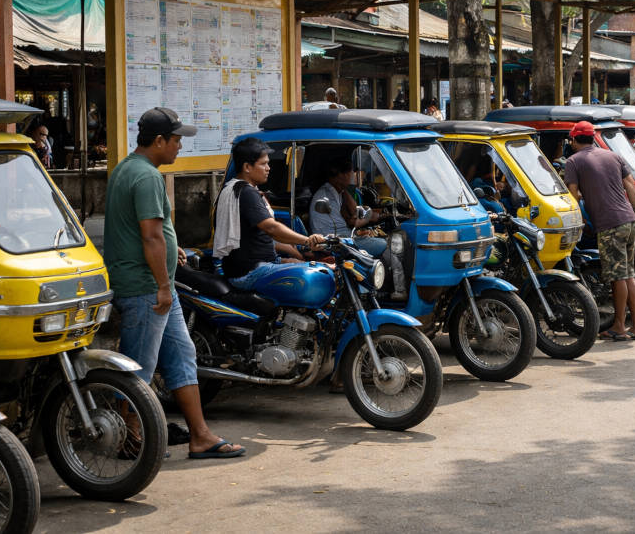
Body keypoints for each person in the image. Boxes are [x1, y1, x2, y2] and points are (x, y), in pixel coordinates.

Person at [104, 107, 245, 460]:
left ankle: (200, 435)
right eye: (177, 139)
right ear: (159, 140)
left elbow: (148, 232)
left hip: (155, 284)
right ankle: (130, 437)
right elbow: (150, 236)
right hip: (146, 288)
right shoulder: (146, 176)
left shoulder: (128, 168)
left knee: (182, 355)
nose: (180, 146)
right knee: (139, 366)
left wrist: (172, 248)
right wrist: (164, 285)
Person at [564, 121, 635, 341]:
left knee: (618, 277)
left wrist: (577, 221)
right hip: (628, 220)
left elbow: (574, 196)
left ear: (573, 140)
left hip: (610, 225)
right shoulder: (613, 156)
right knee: (628, 274)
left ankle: (620, 326)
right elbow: (630, 185)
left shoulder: (573, 161)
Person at [216, 138, 326, 288]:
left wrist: (297, 253)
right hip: (251, 272)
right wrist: (308, 241)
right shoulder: (246, 192)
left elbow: (260, 237)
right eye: (263, 164)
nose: (268, 168)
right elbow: (272, 228)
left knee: (312, 266)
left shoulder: (236, 188)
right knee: (320, 275)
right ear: (247, 167)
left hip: (257, 265)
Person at [309, 158, 407, 300]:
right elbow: (355, 221)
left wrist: (344, 191)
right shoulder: (327, 194)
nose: (354, 175)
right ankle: (394, 290)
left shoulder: (338, 191)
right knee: (388, 245)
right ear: (340, 175)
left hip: (343, 235)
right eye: (350, 172)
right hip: (334, 240)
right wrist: (370, 219)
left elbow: (355, 212)